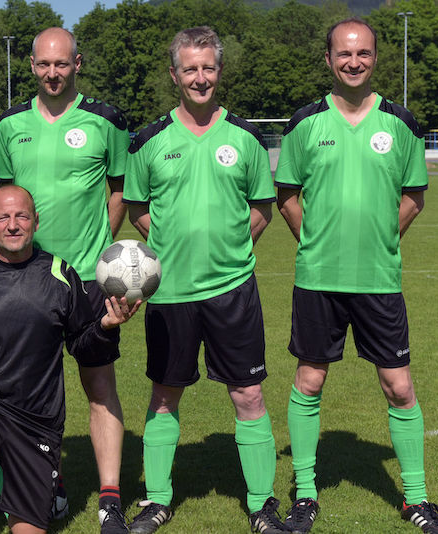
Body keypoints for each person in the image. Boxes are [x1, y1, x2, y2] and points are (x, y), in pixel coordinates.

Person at [274, 18, 438, 534]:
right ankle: (305, 495)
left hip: (378, 278)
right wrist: (316, 241)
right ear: (328, 60)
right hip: (318, 279)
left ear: (376, 58)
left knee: (399, 387)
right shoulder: (305, 123)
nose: (354, 62)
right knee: (309, 381)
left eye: (364, 54)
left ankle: (417, 499)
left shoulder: (401, 124)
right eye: (344, 54)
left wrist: (380, 237)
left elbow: (413, 197)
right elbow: (287, 195)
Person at [123, 26, 291, 534]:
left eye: (208, 68)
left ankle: (262, 505)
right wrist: (175, 249)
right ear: (175, 74)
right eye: (190, 69)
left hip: (233, 289)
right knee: (165, 393)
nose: (200, 78)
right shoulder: (150, 140)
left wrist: (228, 251)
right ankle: (156, 502)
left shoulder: (244, 137)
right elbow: (137, 210)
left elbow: (261, 210)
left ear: (220, 72)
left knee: (249, 395)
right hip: (170, 292)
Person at [0, 185, 140, 534]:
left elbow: (82, 345)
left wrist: (106, 327)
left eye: (22, 216)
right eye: (3, 217)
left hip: (36, 420)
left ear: (36, 221)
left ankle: (3, 467)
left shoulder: (61, 275)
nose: (13, 225)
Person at [0, 26, 131, 533]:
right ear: (31, 65)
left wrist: (99, 252)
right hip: (26, 278)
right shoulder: (10, 124)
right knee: (25, 390)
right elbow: (6, 203)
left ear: (78, 63)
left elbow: (120, 191)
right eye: (44, 64)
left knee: (99, 382)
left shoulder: (106, 120)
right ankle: (43, 482)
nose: (53, 73)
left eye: (62, 64)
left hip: (88, 278)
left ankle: (111, 497)